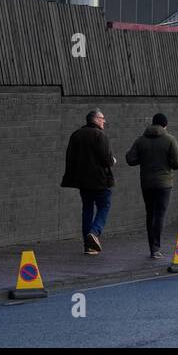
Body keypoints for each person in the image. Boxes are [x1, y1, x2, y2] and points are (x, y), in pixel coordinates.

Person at [124, 112, 178, 259]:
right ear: (165, 125)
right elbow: (176, 163)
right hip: (164, 184)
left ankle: (152, 247)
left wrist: (144, 159)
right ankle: (156, 248)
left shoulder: (141, 140)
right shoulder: (170, 139)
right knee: (160, 215)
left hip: (147, 183)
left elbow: (130, 159)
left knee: (150, 214)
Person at [61, 108, 117, 255]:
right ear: (95, 119)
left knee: (87, 210)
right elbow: (106, 159)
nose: (104, 121)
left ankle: (88, 246)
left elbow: (70, 158)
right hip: (99, 180)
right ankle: (94, 232)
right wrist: (113, 160)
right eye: (102, 118)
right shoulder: (100, 135)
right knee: (104, 206)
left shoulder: (76, 135)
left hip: (82, 182)